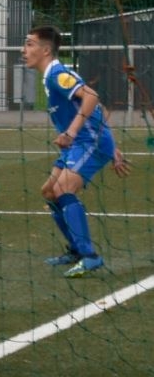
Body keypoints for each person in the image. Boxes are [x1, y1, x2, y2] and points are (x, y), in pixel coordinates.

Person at [20, 25, 132, 277]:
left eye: (29, 44)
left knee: (63, 189)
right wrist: (112, 144)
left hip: (86, 142)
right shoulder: (51, 77)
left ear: (45, 50)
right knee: (49, 191)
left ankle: (90, 255)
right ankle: (76, 250)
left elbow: (92, 96)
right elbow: (97, 106)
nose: (23, 49)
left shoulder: (58, 74)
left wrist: (71, 132)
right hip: (86, 141)